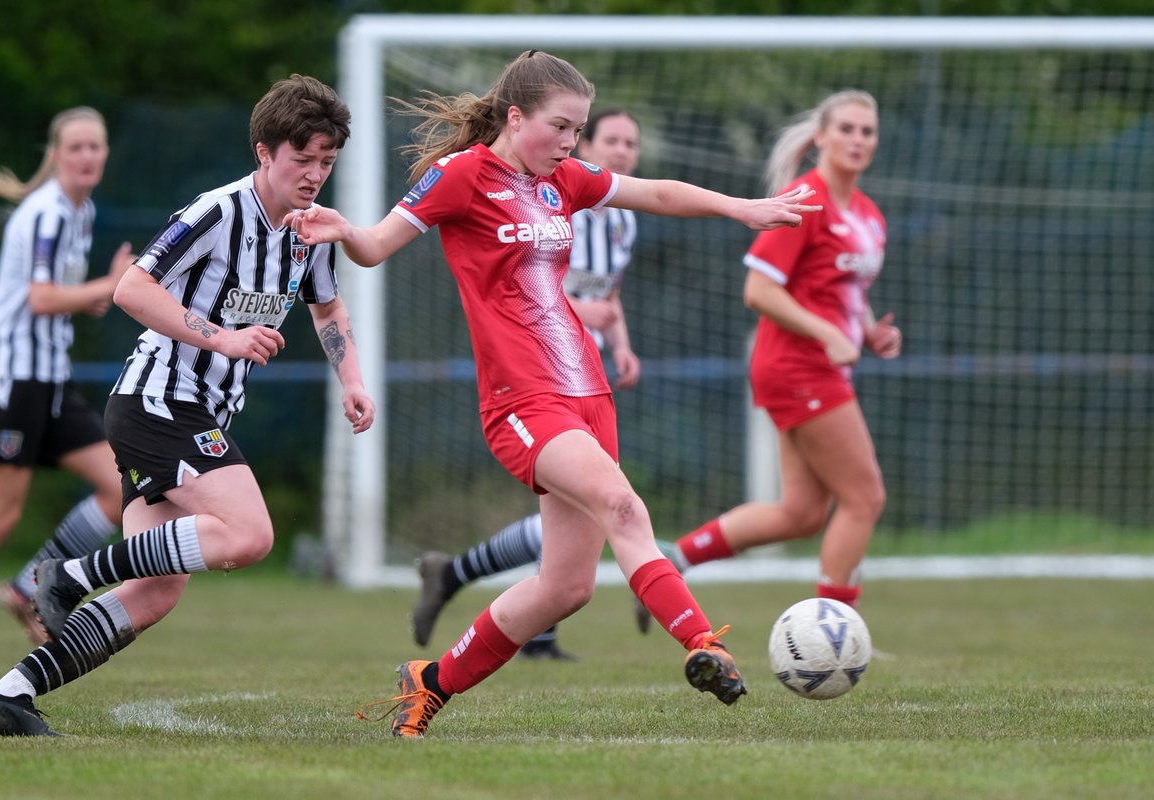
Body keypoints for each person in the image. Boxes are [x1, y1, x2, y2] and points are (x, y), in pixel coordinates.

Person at [285, 50, 819, 738]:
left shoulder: (561, 179)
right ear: (516, 117)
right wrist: (344, 231)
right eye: (560, 127)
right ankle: (701, 644)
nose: (570, 143)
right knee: (625, 505)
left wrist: (741, 208)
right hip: (521, 402)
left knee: (566, 587)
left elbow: (655, 192)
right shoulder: (461, 175)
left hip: (588, 394)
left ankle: (430, 684)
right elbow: (376, 245)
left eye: (578, 130)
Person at [0, 74, 375, 737]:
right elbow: (133, 288)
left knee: (158, 587)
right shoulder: (217, 212)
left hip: (196, 414)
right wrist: (223, 336)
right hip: (158, 403)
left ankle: (10, 693)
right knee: (250, 534)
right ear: (265, 152)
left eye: (326, 162)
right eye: (303, 158)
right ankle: (67, 572)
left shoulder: (311, 232)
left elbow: (327, 305)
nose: (314, 174)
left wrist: (352, 378)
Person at [651, 89, 900, 618]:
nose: (858, 140)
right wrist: (827, 335)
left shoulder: (869, 215)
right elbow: (759, 291)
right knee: (865, 497)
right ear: (821, 138)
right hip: (798, 367)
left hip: (817, 366)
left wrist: (867, 330)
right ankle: (833, 633)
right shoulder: (804, 199)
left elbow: (842, 291)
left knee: (803, 512)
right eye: (847, 129)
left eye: (868, 131)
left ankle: (672, 562)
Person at [409, 107, 644, 661]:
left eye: (630, 143)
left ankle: (468, 586)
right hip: (530, 372)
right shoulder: (553, 194)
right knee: (597, 505)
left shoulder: (619, 217)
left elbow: (605, 293)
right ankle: (509, 613)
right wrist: (580, 310)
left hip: (582, 369)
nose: (620, 151)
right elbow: (542, 286)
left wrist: (624, 344)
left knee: (585, 516)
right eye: (610, 139)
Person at [0, 107, 130, 662]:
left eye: (95, 147)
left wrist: (97, 295)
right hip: (16, 381)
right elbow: (40, 298)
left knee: (119, 486)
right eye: (75, 147)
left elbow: (58, 299)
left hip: (50, 381)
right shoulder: (47, 213)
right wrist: (107, 283)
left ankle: (31, 588)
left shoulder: (81, 211)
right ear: (55, 154)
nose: (86, 157)